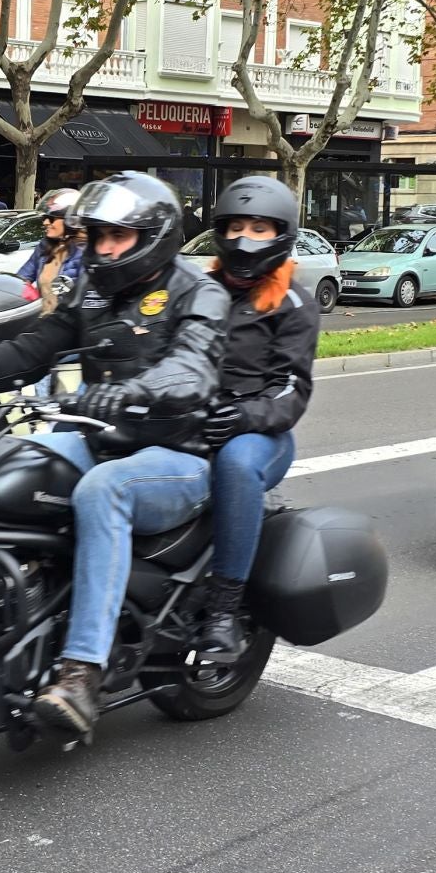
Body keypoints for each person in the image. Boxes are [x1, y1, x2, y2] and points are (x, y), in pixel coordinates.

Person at [0, 171, 229, 736]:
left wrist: (134, 390)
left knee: (105, 490)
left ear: (156, 233)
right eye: (97, 236)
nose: (103, 249)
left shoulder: (200, 292)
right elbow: (36, 345)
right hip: (97, 437)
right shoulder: (96, 290)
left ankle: (81, 672)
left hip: (178, 456)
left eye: (117, 237)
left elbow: (193, 368)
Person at [194, 174, 320, 660]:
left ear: (281, 235)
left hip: (260, 434)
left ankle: (225, 609)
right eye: (237, 225)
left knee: (236, 465)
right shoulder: (197, 291)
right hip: (192, 419)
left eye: (260, 228)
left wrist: (244, 416)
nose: (245, 238)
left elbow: (291, 391)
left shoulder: (293, 304)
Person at [17, 187, 85, 315]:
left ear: (71, 220)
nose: (46, 222)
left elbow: (84, 302)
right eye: (45, 218)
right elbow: (21, 279)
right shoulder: (44, 247)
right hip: (41, 321)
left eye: (52, 219)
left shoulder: (85, 253)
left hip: (68, 326)